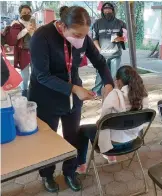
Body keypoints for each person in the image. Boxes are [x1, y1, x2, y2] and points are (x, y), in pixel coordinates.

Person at [29, 6, 114, 192]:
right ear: (62, 25)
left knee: (72, 135)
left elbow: (99, 61)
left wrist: (108, 82)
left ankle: (70, 171)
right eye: (76, 34)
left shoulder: (82, 37)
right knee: (47, 138)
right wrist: (74, 89)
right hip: (46, 96)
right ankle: (47, 174)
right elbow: (42, 75)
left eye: (84, 35)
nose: (80, 40)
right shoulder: (41, 37)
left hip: (72, 95)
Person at [76, 66, 149, 173]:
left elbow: (100, 124)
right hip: (133, 142)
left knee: (82, 130)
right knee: (113, 127)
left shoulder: (114, 95)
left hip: (112, 146)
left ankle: (81, 165)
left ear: (118, 81)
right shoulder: (143, 95)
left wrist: (106, 97)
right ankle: (111, 157)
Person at [92, 2, 127, 97]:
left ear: (113, 10)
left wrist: (119, 39)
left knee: (114, 76)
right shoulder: (97, 23)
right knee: (100, 75)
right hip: (102, 55)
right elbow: (94, 39)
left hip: (115, 55)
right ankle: (96, 92)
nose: (107, 10)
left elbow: (125, 37)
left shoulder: (121, 23)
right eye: (105, 9)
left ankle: (113, 93)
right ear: (102, 11)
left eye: (109, 9)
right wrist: (99, 50)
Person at [10, 4, 35, 97]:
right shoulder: (15, 23)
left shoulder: (33, 22)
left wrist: (34, 31)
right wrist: (26, 30)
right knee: (25, 76)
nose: (26, 14)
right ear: (20, 13)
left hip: (34, 52)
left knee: (34, 74)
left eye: (28, 12)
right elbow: (15, 37)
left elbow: (36, 37)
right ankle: (24, 93)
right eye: (24, 13)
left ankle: (33, 93)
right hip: (22, 52)